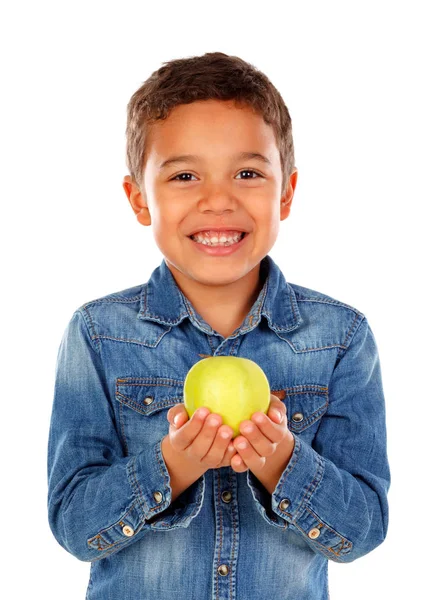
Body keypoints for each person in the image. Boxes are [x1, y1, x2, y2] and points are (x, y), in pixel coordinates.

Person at [47, 51, 390, 599]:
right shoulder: (99, 334)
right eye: (185, 175)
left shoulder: (339, 337)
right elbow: (74, 525)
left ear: (286, 193)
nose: (218, 200)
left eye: (248, 173)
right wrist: (172, 465)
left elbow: (364, 529)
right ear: (140, 199)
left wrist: (282, 462)